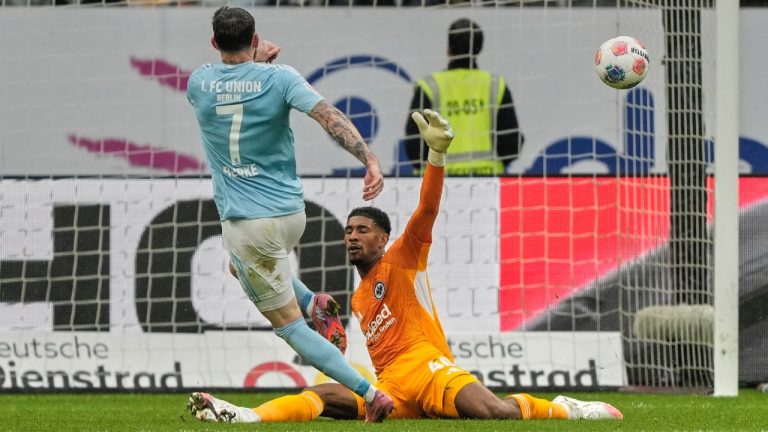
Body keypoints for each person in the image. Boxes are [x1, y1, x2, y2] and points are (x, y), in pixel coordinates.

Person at [187, 109, 623, 423]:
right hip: (390, 387)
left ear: (382, 237)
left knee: (493, 412)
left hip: (429, 368)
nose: (352, 236)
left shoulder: (404, 255)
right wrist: (250, 263)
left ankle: (565, 407)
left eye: (362, 230)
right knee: (320, 394)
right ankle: (247, 417)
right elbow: (301, 299)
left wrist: (436, 157)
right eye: (349, 231)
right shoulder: (358, 297)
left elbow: (426, 211)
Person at [185, 6, 393, 422]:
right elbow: (327, 116)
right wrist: (368, 158)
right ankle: (313, 300)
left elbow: (233, 85)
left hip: (246, 221)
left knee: (289, 327)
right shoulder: (281, 78)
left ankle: (370, 394)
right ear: (256, 37)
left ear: (213, 43)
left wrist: (255, 62)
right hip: (290, 215)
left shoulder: (200, 82)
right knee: (237, 267)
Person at [404, 18, 524, 176]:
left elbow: (414, 146)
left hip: (437, 182)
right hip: (487, 182)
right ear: (479, 48)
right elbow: (511, 146)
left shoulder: (430, 86)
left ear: (449, 49)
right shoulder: (495, 84)